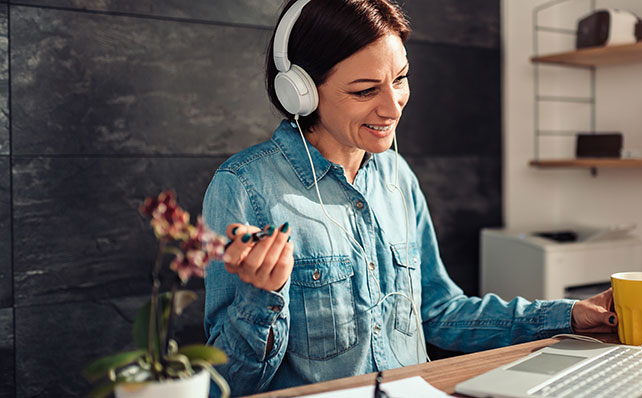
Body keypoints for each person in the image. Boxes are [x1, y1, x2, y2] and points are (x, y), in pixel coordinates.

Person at [201, 0, 617, 396]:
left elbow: (438, 312)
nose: (393, 107)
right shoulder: (244, 187)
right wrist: (261, 297)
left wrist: (569, 315)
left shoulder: (397, 177)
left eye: (399, 79)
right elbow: (226, 382)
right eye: (365, 91)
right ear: (302, 93)